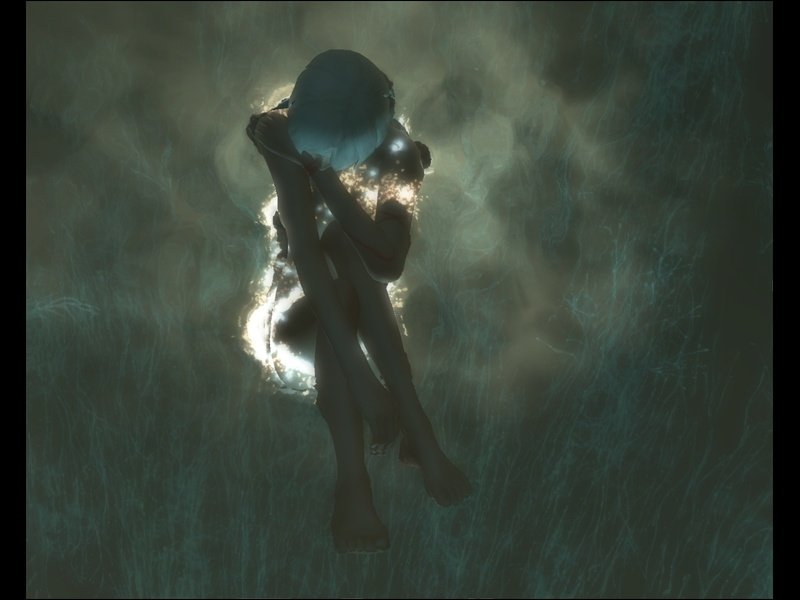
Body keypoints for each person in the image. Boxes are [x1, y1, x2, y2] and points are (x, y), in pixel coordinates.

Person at [247, 50, 470, 553]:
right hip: (298, 323)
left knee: (347, 255)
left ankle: (380, 463)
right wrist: (365, 382)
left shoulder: (399, 154)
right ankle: (382, 458)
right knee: (336, 262)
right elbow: (303, 251)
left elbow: (388, 263)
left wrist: (324, 177)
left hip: (363, 311)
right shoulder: (277, 129)